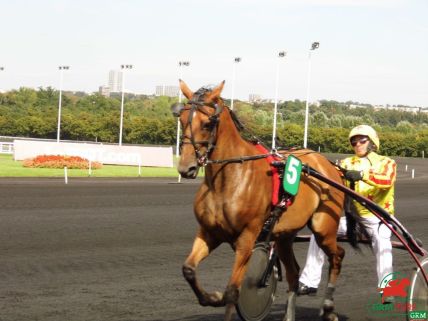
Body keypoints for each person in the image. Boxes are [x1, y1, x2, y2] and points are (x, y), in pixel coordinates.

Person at [298, 125, 397, 300]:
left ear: (372, 143)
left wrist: (362, 175)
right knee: (319, 231)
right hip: (353, 219)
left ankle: (387, 289)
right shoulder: (345, 163)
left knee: (383, 244)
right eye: (353, 142)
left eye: (362, 140)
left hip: (378, 219)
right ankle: (309, 281)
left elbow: (387, 180)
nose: (357, 144)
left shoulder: (387, 162)